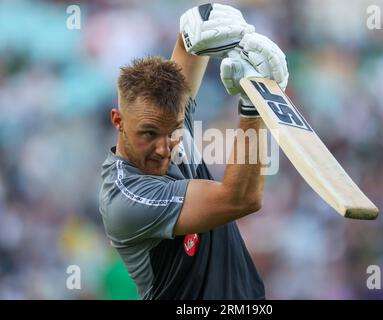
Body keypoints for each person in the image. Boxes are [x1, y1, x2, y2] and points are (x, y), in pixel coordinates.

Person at [99, 3, 288, 299]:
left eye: (173, 130)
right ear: (118, 121)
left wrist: (202, 22)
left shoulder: (168, 121)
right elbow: (241, 200)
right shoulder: (126, 199)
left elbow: (189, 48)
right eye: (148, 134)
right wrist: (254, 107)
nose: (164, 149)